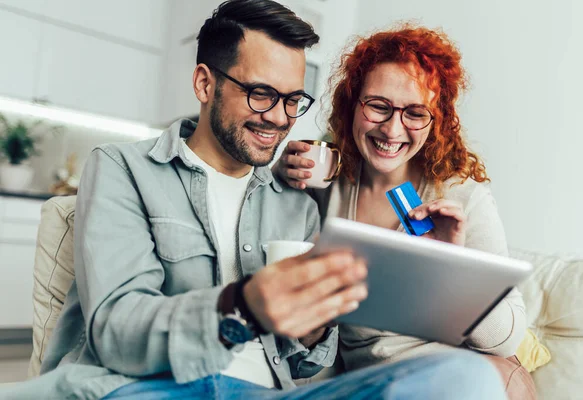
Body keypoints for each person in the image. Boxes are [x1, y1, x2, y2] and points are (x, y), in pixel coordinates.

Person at [1, 3, 508, 400]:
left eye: (292, 100)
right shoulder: (122, 170)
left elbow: (311, 358)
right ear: (204, 83)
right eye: (261, 94)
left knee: (464, 378)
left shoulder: (297, 197)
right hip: (151, 388)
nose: (279, 118)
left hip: (269, 394)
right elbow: (116, 333)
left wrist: (311, 331)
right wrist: (242, 307)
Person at [275, 25, 536, 399]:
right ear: (352, 105)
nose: (393, 129)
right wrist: (280, 173)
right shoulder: (329, 184)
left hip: (453, 382)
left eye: (415, 113)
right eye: (378, 106)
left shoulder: (461, 195)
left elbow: (508, 337)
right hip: (372, 387)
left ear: (436, 121)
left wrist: (450, 264)